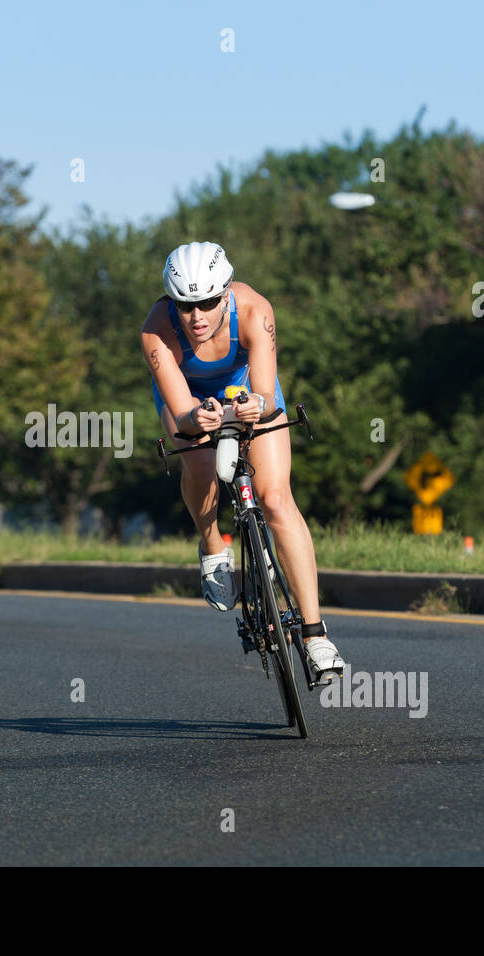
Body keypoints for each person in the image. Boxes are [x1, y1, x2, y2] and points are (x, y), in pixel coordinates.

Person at [140, 240, 344, 681]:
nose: (196, 317)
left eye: (209, 302)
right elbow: (180, 413)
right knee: (197, 461)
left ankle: (314, 635)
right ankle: (214, 545)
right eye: (186, 305)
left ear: (227, 291)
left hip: (249, 391)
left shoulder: (254, 310)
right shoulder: (156, 329)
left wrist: (257, 405)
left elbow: (267, 393)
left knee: (275, 499)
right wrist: (198, 417)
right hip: (189, 399)